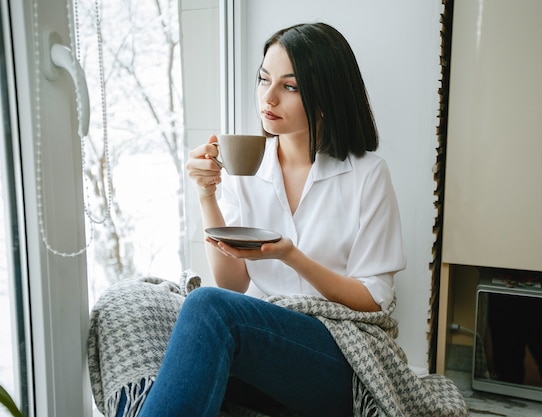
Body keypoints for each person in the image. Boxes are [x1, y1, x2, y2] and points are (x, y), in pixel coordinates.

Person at [135, 22, 407, 416]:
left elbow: (373, 302)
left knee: (207, 307)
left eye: (289, 87)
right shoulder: (246, 168)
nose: (269, 97)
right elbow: (233, 281)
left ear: (325, 98)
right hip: (263, 345)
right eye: (264, 80)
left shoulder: (367, 174)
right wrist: (206, 193)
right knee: (185, 308)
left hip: (338, 350)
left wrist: (290, 255)